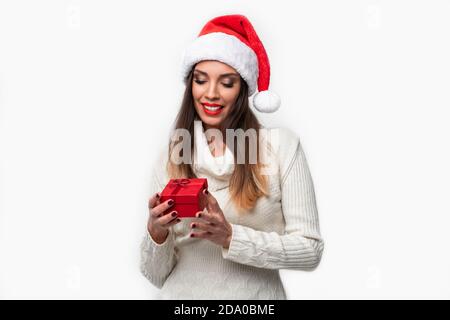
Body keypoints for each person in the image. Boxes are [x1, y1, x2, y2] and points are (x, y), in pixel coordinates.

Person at [140, 14, 324, 300]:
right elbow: (156, 275)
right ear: (191, 86)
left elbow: (310, 250)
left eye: (226, 83)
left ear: (243, 90)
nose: (210, 94)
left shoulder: (281, 148)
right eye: (201, 81)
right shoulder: (172, 156)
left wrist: (231, 237)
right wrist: (156, 232)